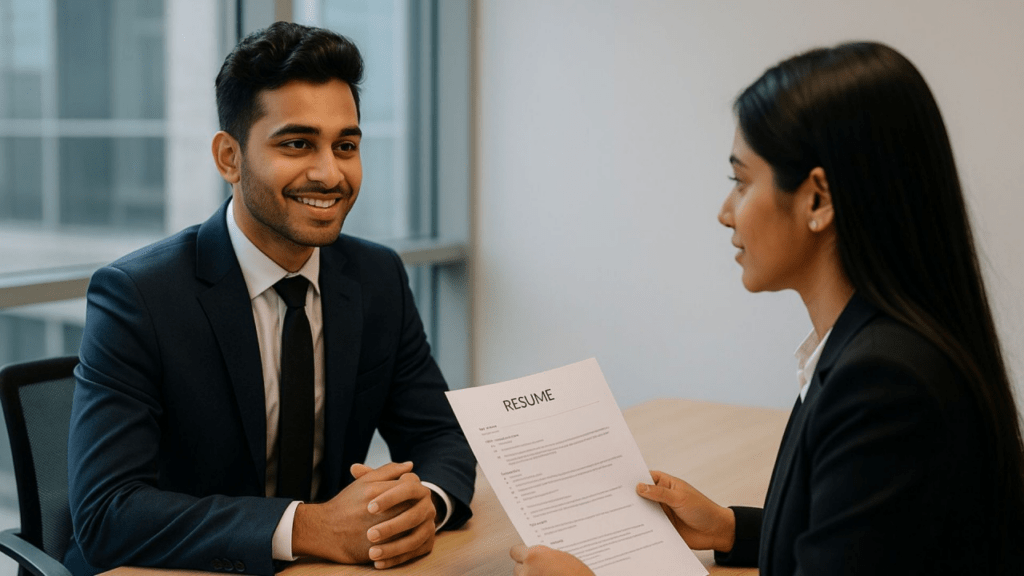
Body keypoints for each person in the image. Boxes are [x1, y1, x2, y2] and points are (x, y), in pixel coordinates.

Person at [511, 41, 1024, 575]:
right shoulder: (885, 345)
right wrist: (732, 529)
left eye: (740, 181)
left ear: (817, 200)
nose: (725, 213)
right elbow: (875, 541)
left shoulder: (882, 382)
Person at [66, 22, 475, 576]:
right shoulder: (139, 296)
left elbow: (439, 434)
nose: (330, 173)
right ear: (229, 157)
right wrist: (309, 526)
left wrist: (424, 503)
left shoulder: (376, 276)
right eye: (297, 143)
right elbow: (108, 514)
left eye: (346, 146)